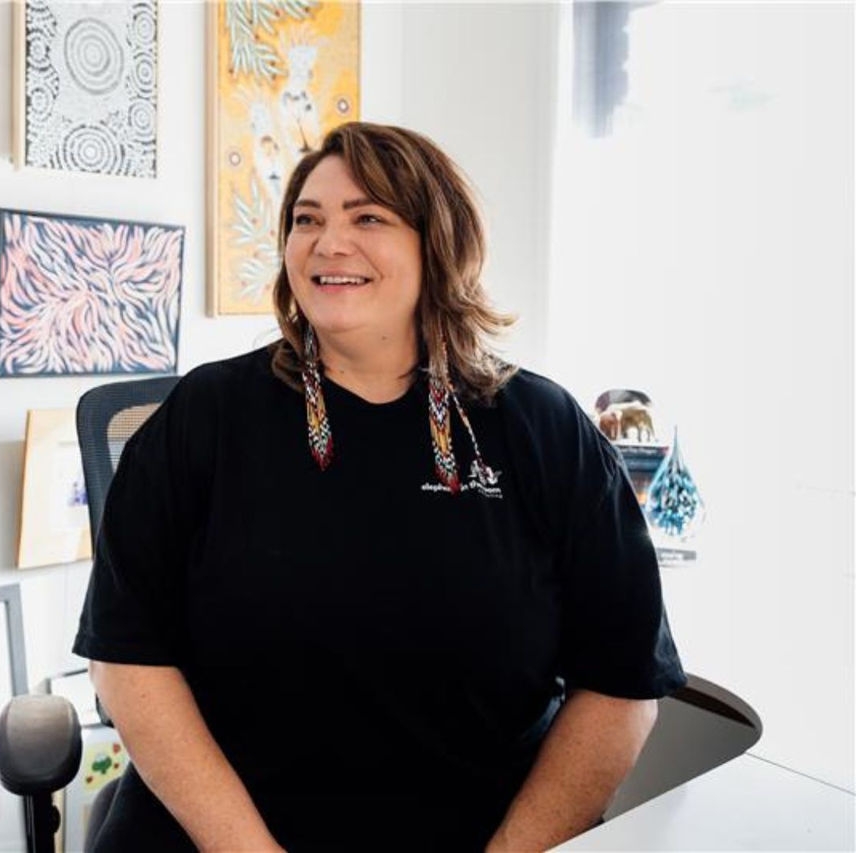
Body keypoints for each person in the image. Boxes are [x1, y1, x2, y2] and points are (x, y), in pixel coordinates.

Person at [73, 122, 685, 851]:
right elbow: (128, 655)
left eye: (368, 217)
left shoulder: (543, 429)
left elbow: (620, 682)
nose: (330, 242)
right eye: (308, 219)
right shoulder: (204, 418)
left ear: (438, 241)